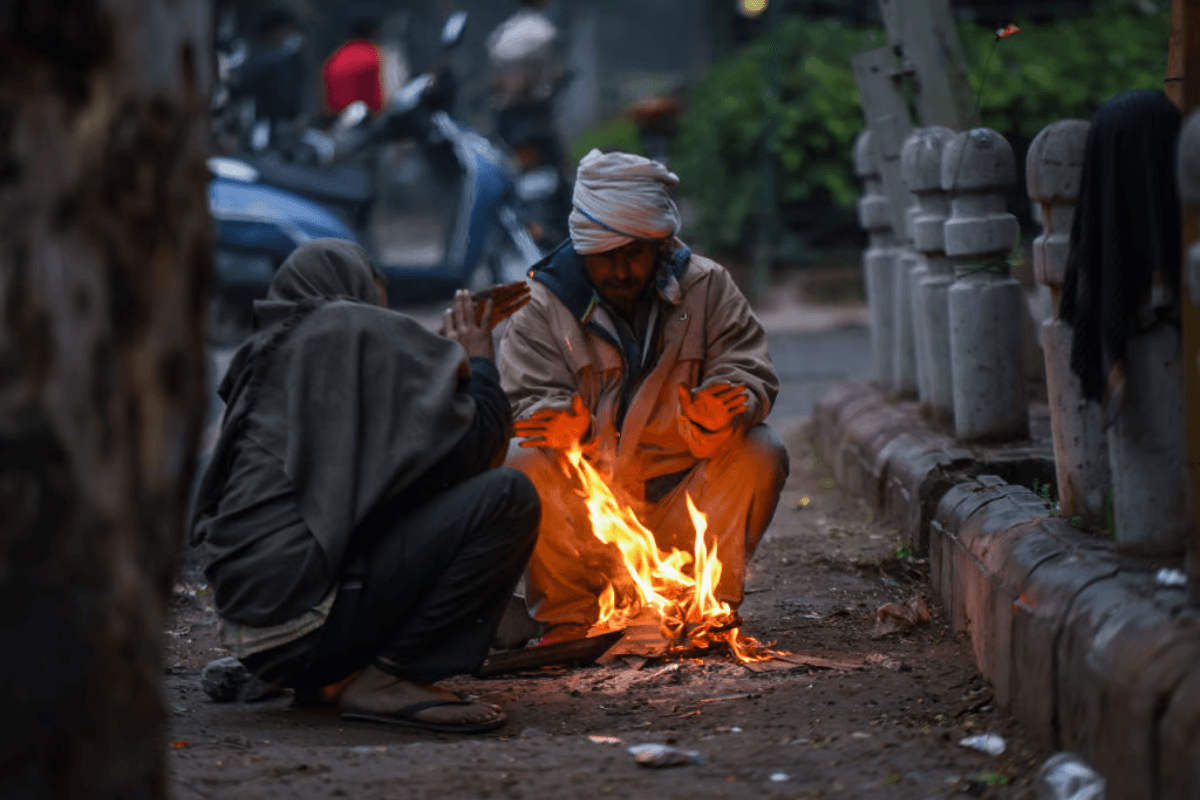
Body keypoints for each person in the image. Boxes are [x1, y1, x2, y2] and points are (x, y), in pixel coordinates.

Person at [189, 238, 539, 733]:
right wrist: (479, 360)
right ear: (350, 290)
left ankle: (339, 676)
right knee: (507, 497)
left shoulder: (271, 356)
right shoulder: (345, 326)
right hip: (303, 627)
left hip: (260, 643)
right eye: (377, 303)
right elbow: (479, 445)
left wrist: (438, 370)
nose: (383, 316)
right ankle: (389, 679)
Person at [498, 149, 789, 644]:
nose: (620, 271)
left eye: (633, 253)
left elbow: (747, 367)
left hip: (681, 507)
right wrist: (558, 425)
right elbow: (525, 398)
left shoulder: (708, 287)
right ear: (582, 250)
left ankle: (702, 613)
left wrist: (729, 408)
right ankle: (570, 623)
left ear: (662, 244)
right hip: (590, 525)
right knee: (522, 459)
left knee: (761, 450)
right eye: (604, 257)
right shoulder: (540, 307)